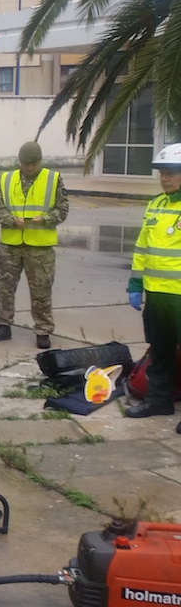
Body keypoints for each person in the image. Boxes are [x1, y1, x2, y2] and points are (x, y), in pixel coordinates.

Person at [0, 141, 69, 349]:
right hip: (11, 244)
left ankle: (43, 330)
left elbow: (63, 210)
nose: (29, 168)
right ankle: (3, 325)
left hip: (39, 247)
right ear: (20, 162)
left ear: (40, 161)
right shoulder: (7, 179)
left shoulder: (53, 179)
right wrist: (11, 220)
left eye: (33, 164)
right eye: (25, 163)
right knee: (4, 287)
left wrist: (47, 218)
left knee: (41, 291)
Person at [126, 144, 181, 426]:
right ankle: (159, 401)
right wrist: (136, 282)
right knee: (160, 350)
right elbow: (142, 248)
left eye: (171, 173)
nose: (165, 178)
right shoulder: (156, 204)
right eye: (162, 173)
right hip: (157, 294)